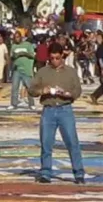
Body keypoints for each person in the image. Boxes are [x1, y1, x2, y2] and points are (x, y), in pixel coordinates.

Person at [32, 44, 86, 183]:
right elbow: (32, 89)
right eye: (52, 59)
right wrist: (42, 91)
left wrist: (68, 94)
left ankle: (78, 173)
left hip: (65, 109)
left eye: (57, 58)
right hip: (48, 110)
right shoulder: (43, 71)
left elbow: (77, 91)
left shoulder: (71, 71)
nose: (55, 61)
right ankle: (45, 172)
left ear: (62, 56)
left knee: (72, 142)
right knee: (46, 142)